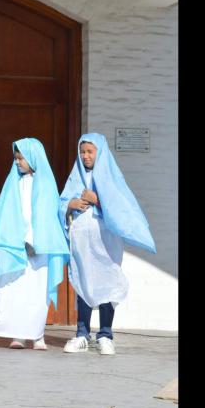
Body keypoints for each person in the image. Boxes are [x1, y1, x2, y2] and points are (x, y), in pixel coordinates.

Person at [59, 133, 156, 355]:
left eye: (89, 152)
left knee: (107, 283)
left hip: (106, 243)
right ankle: (82, 334)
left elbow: (122, 209)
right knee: (83, 282)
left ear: (99, 152)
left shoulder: (111, 178)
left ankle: (105, 334)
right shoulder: (76, 177)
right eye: (82, 152)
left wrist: (98, 200)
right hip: (82, 243)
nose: (85, 156)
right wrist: (70, 204)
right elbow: (62, 202)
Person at [0, 138, 69, 350]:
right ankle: (18, 333)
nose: (17, 162)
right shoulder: (13, 184)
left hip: (38, 249)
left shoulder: (45, 184)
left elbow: (46, 217)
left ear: (33, 158)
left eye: (20, 158)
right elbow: (4, 210)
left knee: (36, 292)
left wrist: (34, 240)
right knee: (14, 290)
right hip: (15, 246)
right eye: (15, 159)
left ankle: (37, 334)